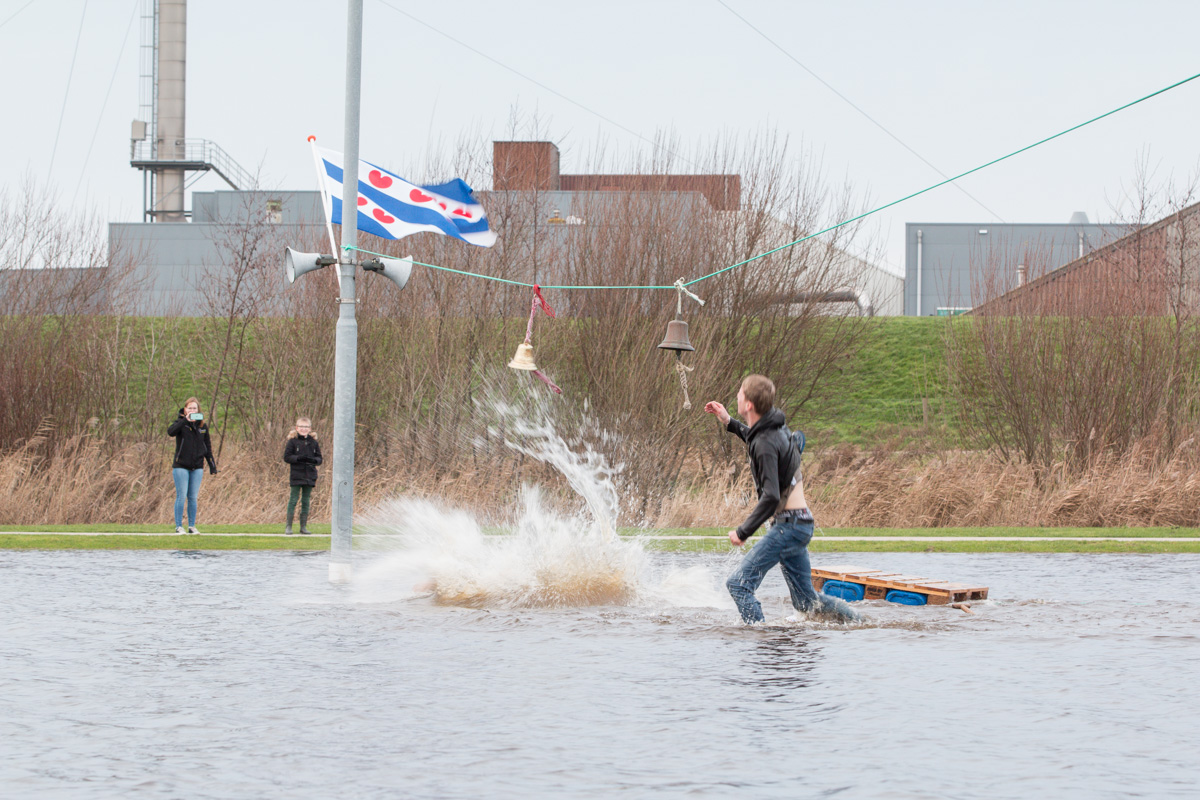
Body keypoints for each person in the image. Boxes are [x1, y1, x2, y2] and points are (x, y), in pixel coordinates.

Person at [705, 375, 859, 625]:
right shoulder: (775, 429)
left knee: (738, 584)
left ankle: (760, 636)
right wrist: (728, 421)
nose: (737, 396)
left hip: (789, 527)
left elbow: (771, 496)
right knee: (806, 602)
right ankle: (860, 623)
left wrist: (743, 532)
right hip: (799, 525)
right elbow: (756, 439)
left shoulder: (765, 441)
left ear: (749, 404)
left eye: (740, 393)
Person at [167, 397, 217, 534]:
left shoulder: (202, 427)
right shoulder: (181, 424)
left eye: (195, 408)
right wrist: (185, 420)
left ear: (198, 410)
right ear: (185, 410)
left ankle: (191, 526)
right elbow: (170, 432)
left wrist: (212, 465)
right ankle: (179, 526)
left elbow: (207, 447)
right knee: (181, 496)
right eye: (190, 408)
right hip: (181, 466)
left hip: (197, 467)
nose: (192, 410)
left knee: (193, 497)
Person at [282, 417, 322, 535]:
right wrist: (298, 458)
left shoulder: (313, 442)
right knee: (293, 499)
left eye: (306, 427)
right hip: (296, 474)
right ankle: (288, 527)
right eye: (301, 427)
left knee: (306, 501)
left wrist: (314, 461)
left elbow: (319, 458)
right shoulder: (292, 442)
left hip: (310, 475)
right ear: (297, 428)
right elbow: (287, 457)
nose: (304, 429)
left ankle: (303, 527)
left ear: (310, 428)